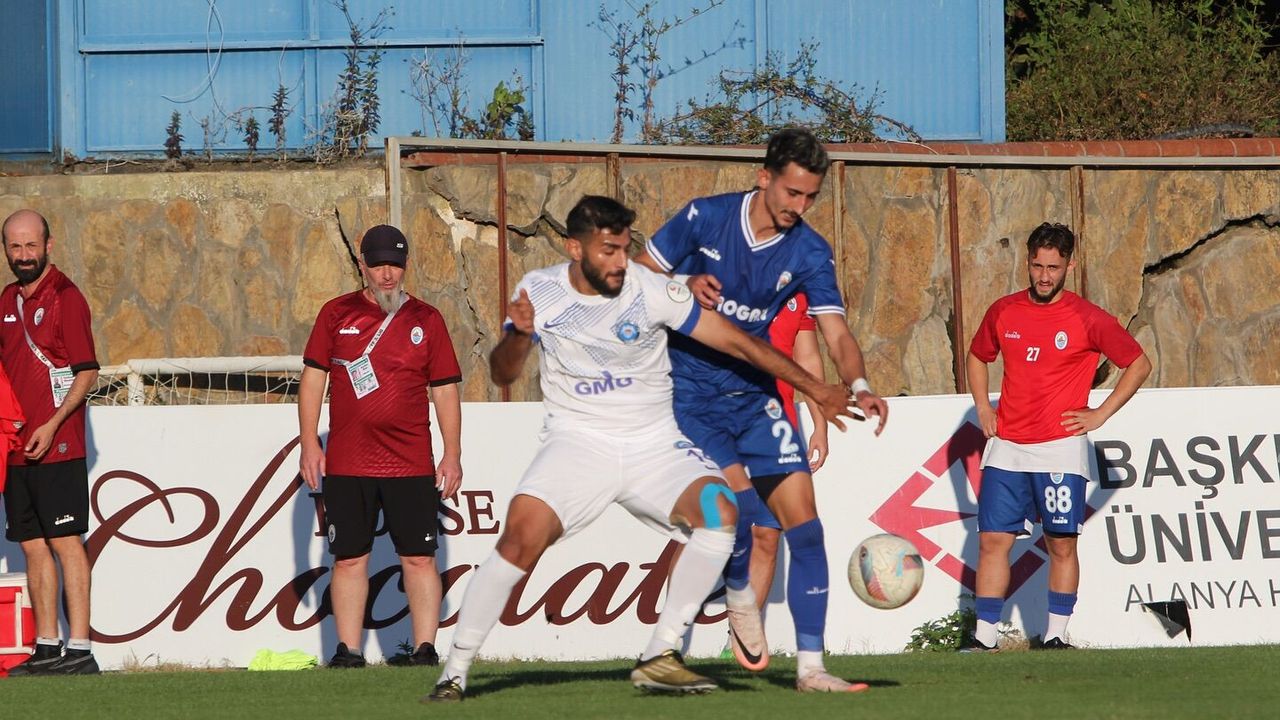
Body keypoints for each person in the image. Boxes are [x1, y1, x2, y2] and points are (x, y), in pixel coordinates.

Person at [425, 195, 856, 702]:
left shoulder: (653, 290)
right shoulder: (539, 290)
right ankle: (454, 671)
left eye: (625, 249)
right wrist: (519, 337)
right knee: (519, 541)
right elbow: (502, 371)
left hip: (654, 443)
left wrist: (815, 388)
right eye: (607, 251)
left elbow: (738, 342)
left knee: (721, 510)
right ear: (574, 248)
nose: (619, 261)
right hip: (577, 443)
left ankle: (660, 654)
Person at [634, 128, 887, 693]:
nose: (801, 206)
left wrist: (859, 383)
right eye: (792, 193)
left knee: (807, 529)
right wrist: (682, 282)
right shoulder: (705, 218)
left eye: (811, 196)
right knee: (740, 515)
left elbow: (835, 332)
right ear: (763, 177)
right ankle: (737, 595)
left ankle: (812, 670)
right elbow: (632, 277)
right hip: (688, 395)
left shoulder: (809, 251)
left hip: (755, 396)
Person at [964, 222, 1151, 652]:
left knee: (1061, 543)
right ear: (1027, 262)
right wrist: (983, 407)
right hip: (1007, 447)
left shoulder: (1087, 317)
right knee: (992, 540)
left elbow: (1139, 363)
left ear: (1069, 265)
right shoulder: (1004, 311)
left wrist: (1100, 413)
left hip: (1060, 449)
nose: (1044, 276)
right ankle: (984, 639)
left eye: (1053, 267)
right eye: (1037, 266)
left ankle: (1055, 637)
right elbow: (977, 356)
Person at [298, 224, 463, 668]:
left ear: (405, 266)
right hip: (349, 460)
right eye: (378, 265)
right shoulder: (336, 314)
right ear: (363, 266)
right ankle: (348, 650)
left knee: (419, 557)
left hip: (410, 461)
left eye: (395, 264)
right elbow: (313, 378)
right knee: (350, 559)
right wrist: (310, 441)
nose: (387, 274)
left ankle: (425, 649)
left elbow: (445, 388)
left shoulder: (427, 319)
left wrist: (452, 453)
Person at [0, 209, 101, 675]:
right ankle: (46, 646)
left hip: (59, 444)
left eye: (31, 245)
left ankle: (80, 649)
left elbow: (88, 372)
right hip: (16, 446)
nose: (24, 255)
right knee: (32, 545)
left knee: (64, 540)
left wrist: (54, 424)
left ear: (48, 245)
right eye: (15, 246)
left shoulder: (66, 297)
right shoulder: (6, 299)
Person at [719, 291, 828, 660]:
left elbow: (807, 358)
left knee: (767, 535)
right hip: (725, 423)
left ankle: (741, 641)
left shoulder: (800, 291)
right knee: (707, 532)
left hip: (778, 429)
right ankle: (669, 641)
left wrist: (819, 424)